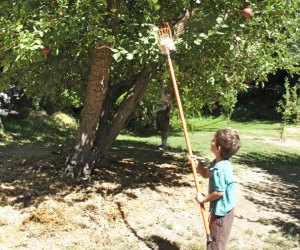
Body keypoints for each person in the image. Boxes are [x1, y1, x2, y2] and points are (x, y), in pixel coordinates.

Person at [191, 128, 241, 250]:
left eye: (213, 140)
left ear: (218, 148)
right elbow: (205, 174)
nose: (211, 141)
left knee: (215, 244)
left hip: (222, 215)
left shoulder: (221, 169)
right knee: (212, 241)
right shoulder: (218, 163)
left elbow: (220, 192)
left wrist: (203, 199)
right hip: (218, 211)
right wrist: (196, 165)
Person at [156, 82, 172, 150]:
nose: (161, 84)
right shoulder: (159, 91)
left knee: (164, 129)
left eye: (163, 83)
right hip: (159, 110)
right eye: (160, 83)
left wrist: (169, 111)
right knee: (161, 129)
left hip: (164, 110)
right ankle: (163, 144)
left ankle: (165, 145)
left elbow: (170, 102)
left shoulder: (166, 91)